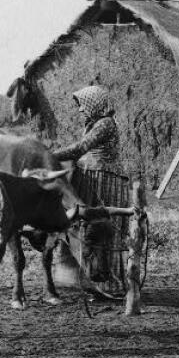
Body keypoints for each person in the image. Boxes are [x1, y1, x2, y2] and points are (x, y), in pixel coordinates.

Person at [49, 85, 123, 295]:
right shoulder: (94, 124)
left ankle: (109, 282)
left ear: (96, 104)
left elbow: (80, 148)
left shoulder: (105, 124)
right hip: (90, 177)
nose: (81, 110)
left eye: (83, 105)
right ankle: (84, 277)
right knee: (84, 226)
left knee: (101, 229)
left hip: (103, 181)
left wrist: (50, 156)